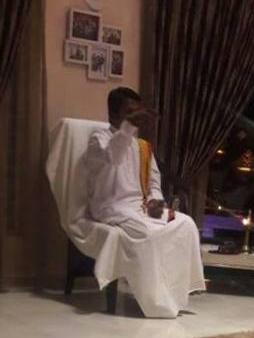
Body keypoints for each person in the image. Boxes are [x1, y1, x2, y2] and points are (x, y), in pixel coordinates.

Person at [84, 87, 205, 317]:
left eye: (137, 112)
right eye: (130, 112)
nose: (136, 117)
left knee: (185, 224)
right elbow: (114, 157)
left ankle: (175, 294)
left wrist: (155, 202)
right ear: (114, 114)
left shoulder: (142, 146)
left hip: (141, 208)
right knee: (149, 234)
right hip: (112, 208)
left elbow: (154, 182)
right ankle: (155, 300)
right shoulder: (99, 140)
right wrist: (128, 127)